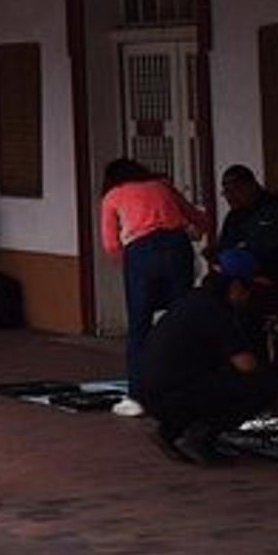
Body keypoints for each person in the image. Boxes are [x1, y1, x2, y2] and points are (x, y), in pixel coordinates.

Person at [137, 249, 278, 466]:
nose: (249, 298)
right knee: (261, 386)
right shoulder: (219, 313)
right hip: (173, 395)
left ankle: (170, 432)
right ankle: (200, 437)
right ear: (236, 287)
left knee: (208, 381)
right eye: (250, 290)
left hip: (147, 391)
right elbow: (246, 365)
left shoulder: (193, 299)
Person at [99, 157, 211, 418]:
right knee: (183, 320)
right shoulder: (162, 185)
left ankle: (138, 397)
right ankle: (188, 387)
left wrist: (130, 264)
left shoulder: (113, 196)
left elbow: (111, 245)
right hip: (177, 247)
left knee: (139, 326)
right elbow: (198, 218)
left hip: (141, 253)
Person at [214, 165, 278, 282]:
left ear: (251, 186)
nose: (230, 197)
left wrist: (248, 278)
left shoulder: (274, 209)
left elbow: (274, 253)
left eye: (235, 190)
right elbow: (225, 246)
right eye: (226, 192)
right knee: (210, 285)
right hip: (242, 273)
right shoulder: (234, 215)